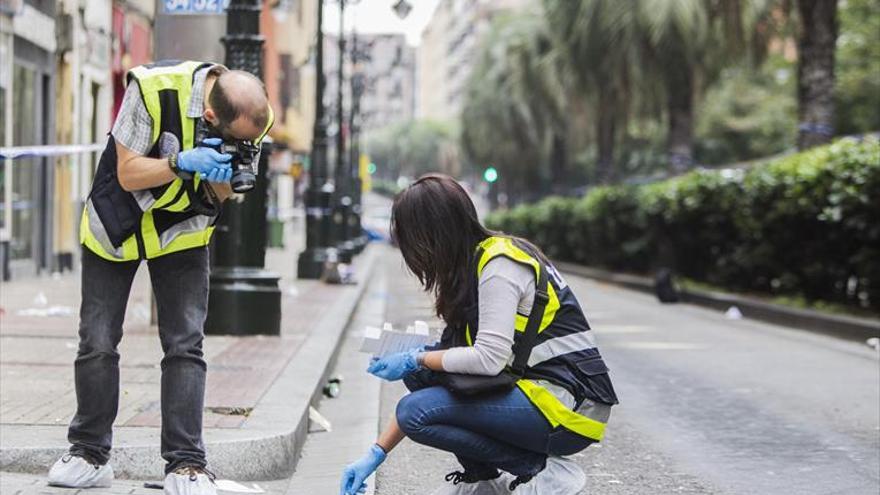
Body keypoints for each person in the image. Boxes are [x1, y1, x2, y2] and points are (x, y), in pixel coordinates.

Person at [47, 60, 273, 495]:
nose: (244, 144)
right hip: (117, 224)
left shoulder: (252, 117)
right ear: (210, 115)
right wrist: (182, 162)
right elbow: (129, 171)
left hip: (181, 233)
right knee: (97, 339)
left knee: (186, 342)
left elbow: (232, 194)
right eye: (235, 139)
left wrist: (222, 180)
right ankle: (89, 454)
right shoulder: (151, 89)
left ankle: (187, 464)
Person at [339, 174, 619, 495]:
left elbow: (488, 359)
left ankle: (537, 470)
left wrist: (415, 356)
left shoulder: (499, 265)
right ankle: (483, 479)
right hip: (536, 393)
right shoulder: (473, 266)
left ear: (433, 234)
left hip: (568, 408)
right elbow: (457, 357)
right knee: (420, 376)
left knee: (415, 409)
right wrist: (375, 453)